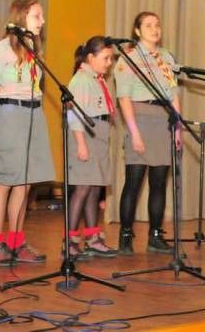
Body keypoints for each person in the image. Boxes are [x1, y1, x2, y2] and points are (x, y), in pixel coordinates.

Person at [0, 0, 55, 265]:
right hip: (11, 115)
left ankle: (16, 241)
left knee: (25, 182)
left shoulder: (34, 49)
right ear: (21, 17)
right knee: (4, 181)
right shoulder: (2, 49)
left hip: (34, 115)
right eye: (37, 16)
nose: (42, 21)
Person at [114, 11, 181, 255]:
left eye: (157, 24)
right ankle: (125, 235)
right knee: (133, 182)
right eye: (148, 25)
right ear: (137, 31)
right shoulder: (129, 58)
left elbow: (173, 94)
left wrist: (177, 128)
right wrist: (134, 133)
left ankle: (155, 236)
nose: (155, 29)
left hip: (163, 119)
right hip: (139, 119)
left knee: (159, 183)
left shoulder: (166, 57)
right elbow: (124, 98)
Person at [66, 36, 118, 260]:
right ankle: (70, 241)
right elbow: (73, 114)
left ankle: (93, 238)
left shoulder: (98, 79)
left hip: (99, 135)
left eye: (110, 58)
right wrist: (81, 144)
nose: (109, 63)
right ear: (90, 57)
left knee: (95, 188)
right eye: (105, 58)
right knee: (83, 188)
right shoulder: (81, 80)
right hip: (86, 136)